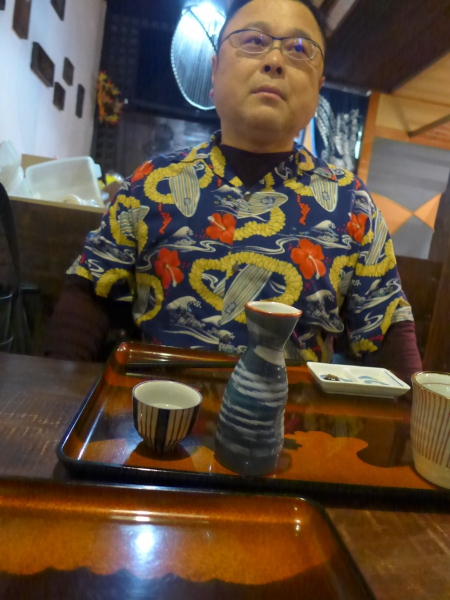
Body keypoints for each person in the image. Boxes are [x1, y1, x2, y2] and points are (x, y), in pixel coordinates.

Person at [46, 0, 422, 382]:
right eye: (254, 40)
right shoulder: (150, 183)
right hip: (156, 411)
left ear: (318, 89)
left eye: (298, 49)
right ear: (215, 71)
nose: (274, 61)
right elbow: (89, 296)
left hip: (295, 419)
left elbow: (388, 331)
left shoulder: (352, 203)